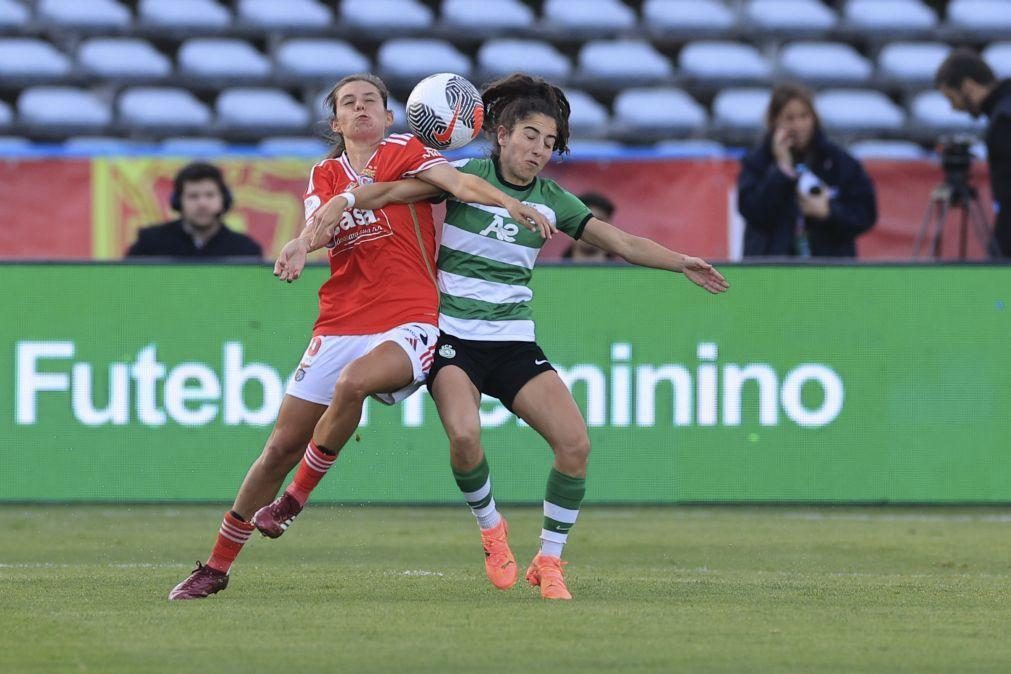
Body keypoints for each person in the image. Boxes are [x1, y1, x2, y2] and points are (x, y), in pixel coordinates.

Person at [285, 73, 729, 600]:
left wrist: (682, 263)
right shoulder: (464, 176)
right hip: (452, 339)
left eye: (549, 142)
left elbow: (622, 241)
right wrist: (343, 203)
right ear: (500, 133)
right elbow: (390, 192)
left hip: (513, 342)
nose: (539, 150)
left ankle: (549, 560)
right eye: (529, 136)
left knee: (575, 444)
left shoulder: (552, 201)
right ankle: (493, 531)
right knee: (466, 437)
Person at [168, 73, 552, 600]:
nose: (361, 107)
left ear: (390, 116)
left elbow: (460, 184)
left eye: (371, 100)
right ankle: (215, 566)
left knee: (354, 384)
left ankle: (293, 503)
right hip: (340, 320)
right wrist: (302, 245)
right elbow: (321, 225)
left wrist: (507, 202)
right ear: (337, 122)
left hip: (410, 319)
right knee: (279, 447)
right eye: (349, 102)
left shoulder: (408, 150)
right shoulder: (324, 174)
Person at [737, 83, 877, 258]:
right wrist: (782, 171)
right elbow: (751, 210)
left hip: (828, 271)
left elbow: (865, 213)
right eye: (789, 118)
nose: (798, 125)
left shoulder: (838, 161)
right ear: (775, 121)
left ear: (814, 118)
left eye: (804, 116)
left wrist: (829, 212)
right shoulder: (758, 161)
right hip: (772, 270)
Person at [935, 47, 1011, 258]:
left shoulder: (1004, 122)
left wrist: (1001, 254)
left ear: (968, 86)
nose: (954, 108)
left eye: (952, 98)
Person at [126, 162, 262, 259]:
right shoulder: (150, 244)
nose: (202, 204)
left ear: (224, 199)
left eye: (210, 195)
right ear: (178, 201)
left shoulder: (245, 250)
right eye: (193, 196)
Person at [561, 192, 615, 261]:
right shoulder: (549, 271)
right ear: (567, 228)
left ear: (611, 227)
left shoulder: (627, 271)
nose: (590, 229)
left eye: (598, 221)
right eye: (583, 221)